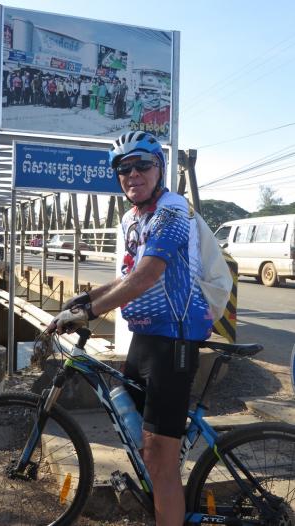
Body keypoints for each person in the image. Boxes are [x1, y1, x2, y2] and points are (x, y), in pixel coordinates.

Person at [48, 131, 213, 526]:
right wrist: (84, 300)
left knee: (159, 457)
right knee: (143, 440)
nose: (133, 173)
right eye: (124, 167)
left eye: (143, 164)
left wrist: (89, 315)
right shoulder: (131, 219)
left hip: (173, 341)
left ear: (159, 170)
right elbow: (125, 277)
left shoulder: (173, 211)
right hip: (145, 339)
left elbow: (147, 275)